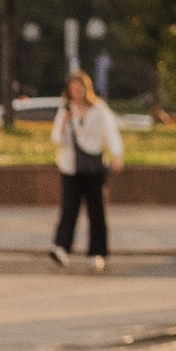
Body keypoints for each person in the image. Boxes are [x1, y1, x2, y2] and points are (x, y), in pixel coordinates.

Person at [50, 68, 125, 269]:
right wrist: (65, 120)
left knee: (96, 210)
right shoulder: (66, 109)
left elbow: (110, 132)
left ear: (87, 88)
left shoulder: (99, 109)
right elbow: (57, 138)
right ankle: (61, 248)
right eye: (72, 88)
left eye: (79, 88)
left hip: (93, 168)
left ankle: (97, 252)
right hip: (71, 167)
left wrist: (117, 154)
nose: (76, 92)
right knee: (69, 209)